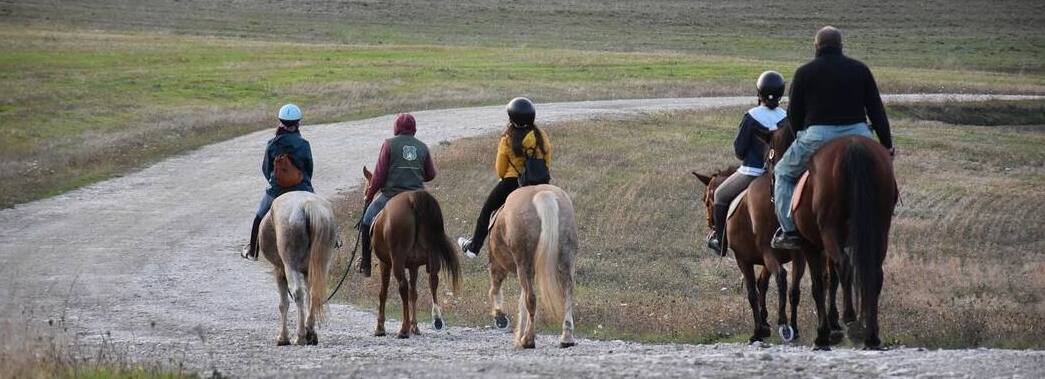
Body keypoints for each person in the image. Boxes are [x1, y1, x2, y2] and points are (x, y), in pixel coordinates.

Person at [771, 26, 895, 250]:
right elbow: (876, 110)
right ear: (841, 47)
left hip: (818, 134)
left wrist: (801, 134)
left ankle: (790, 232)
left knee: (782, 173)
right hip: (859, 131)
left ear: (816, 47)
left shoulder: (804, 72)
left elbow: (794, 115)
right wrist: (886, 145)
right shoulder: (860, 69)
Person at [457, 97, 552, 258]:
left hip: (513, 182)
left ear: (512, 118)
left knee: (487, 210)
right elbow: (547, 161)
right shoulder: (541, 135)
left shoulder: (508, 138)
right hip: (540, 183)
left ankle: (473, 247)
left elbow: (501, 169)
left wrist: (507, 176)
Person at [706, 71, 788, 256]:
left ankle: (720, 241)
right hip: (779, 174)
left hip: (752, 172)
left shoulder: (751, 116)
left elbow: (740, 151)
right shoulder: (786, 116)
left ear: (759, 92)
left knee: (720, 195)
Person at [358, 113, 437, 277]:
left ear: (396, 128)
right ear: (414, 129)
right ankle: (434, 258)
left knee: (366, 220)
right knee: (435, 223)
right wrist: (414, 174)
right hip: (418, 196)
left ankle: (366, 263)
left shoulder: (389, 144)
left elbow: (378, 176)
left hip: (392, 194)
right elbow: (430, 174)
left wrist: (370, 195)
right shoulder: (422, 146)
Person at [242, 103, 314, 260]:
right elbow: (309, 168)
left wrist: (275, 181)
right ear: (298, 123)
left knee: (259, 217)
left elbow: (266, 169)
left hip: (277, 190)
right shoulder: (304, 144)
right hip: (302, 187)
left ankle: (253, 251)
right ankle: (334, 239)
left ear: (280, 122)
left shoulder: (272, 143)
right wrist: (304, 182)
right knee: (320, 210)